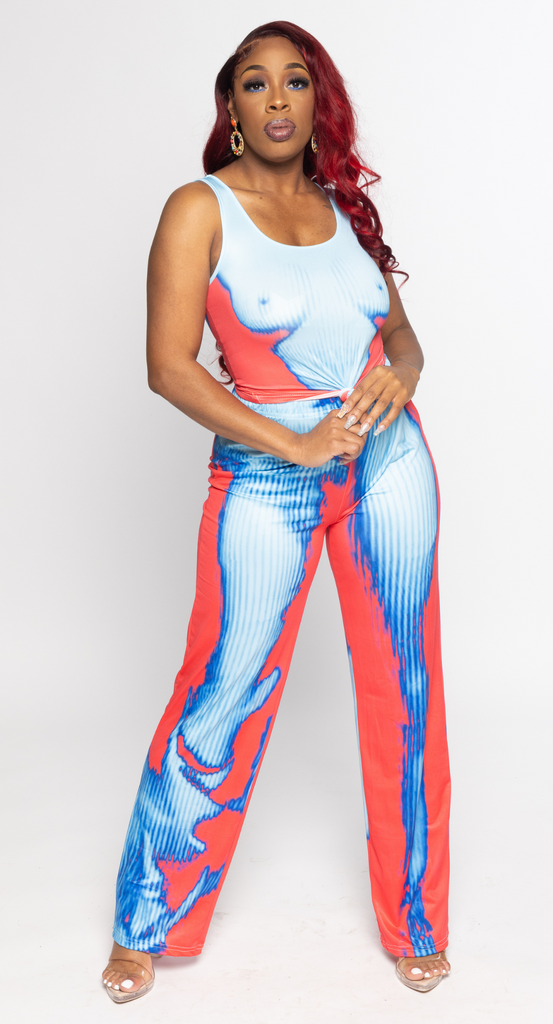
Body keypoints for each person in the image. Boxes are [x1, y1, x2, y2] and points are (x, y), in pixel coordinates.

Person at [101, 21, 451, 1002]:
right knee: (223, 686)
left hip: (388, 464)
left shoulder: (341, 208)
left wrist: (402, 373)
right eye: (255, 83)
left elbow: (401, 336)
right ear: (232, 108)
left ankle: (416, 918)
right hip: (268, 475)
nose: (277, 98)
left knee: (406, 689)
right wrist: (292, 442)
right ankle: (146, 920)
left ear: (315, 99)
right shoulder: (200, 208)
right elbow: (167, 366)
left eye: (294, 80)